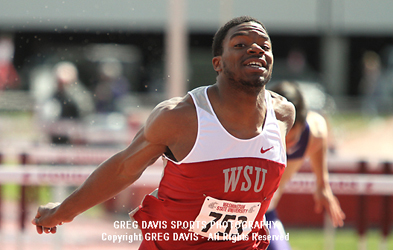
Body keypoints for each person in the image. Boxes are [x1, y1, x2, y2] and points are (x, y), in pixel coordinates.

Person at [32, 16, 295, 250]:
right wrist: (64, 211)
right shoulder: (180, 116)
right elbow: (124, 168)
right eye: (240, 44)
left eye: (265, 45)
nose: (255, 49)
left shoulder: (283, 115)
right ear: (217, 63)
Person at [265, 80, 346, 250]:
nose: (284, 148)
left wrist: (322, 183)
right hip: (227, 217)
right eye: (279, 140)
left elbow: (320, 127)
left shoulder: (311, 133)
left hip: (266, 215)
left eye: (292, 141)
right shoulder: (247, 131)